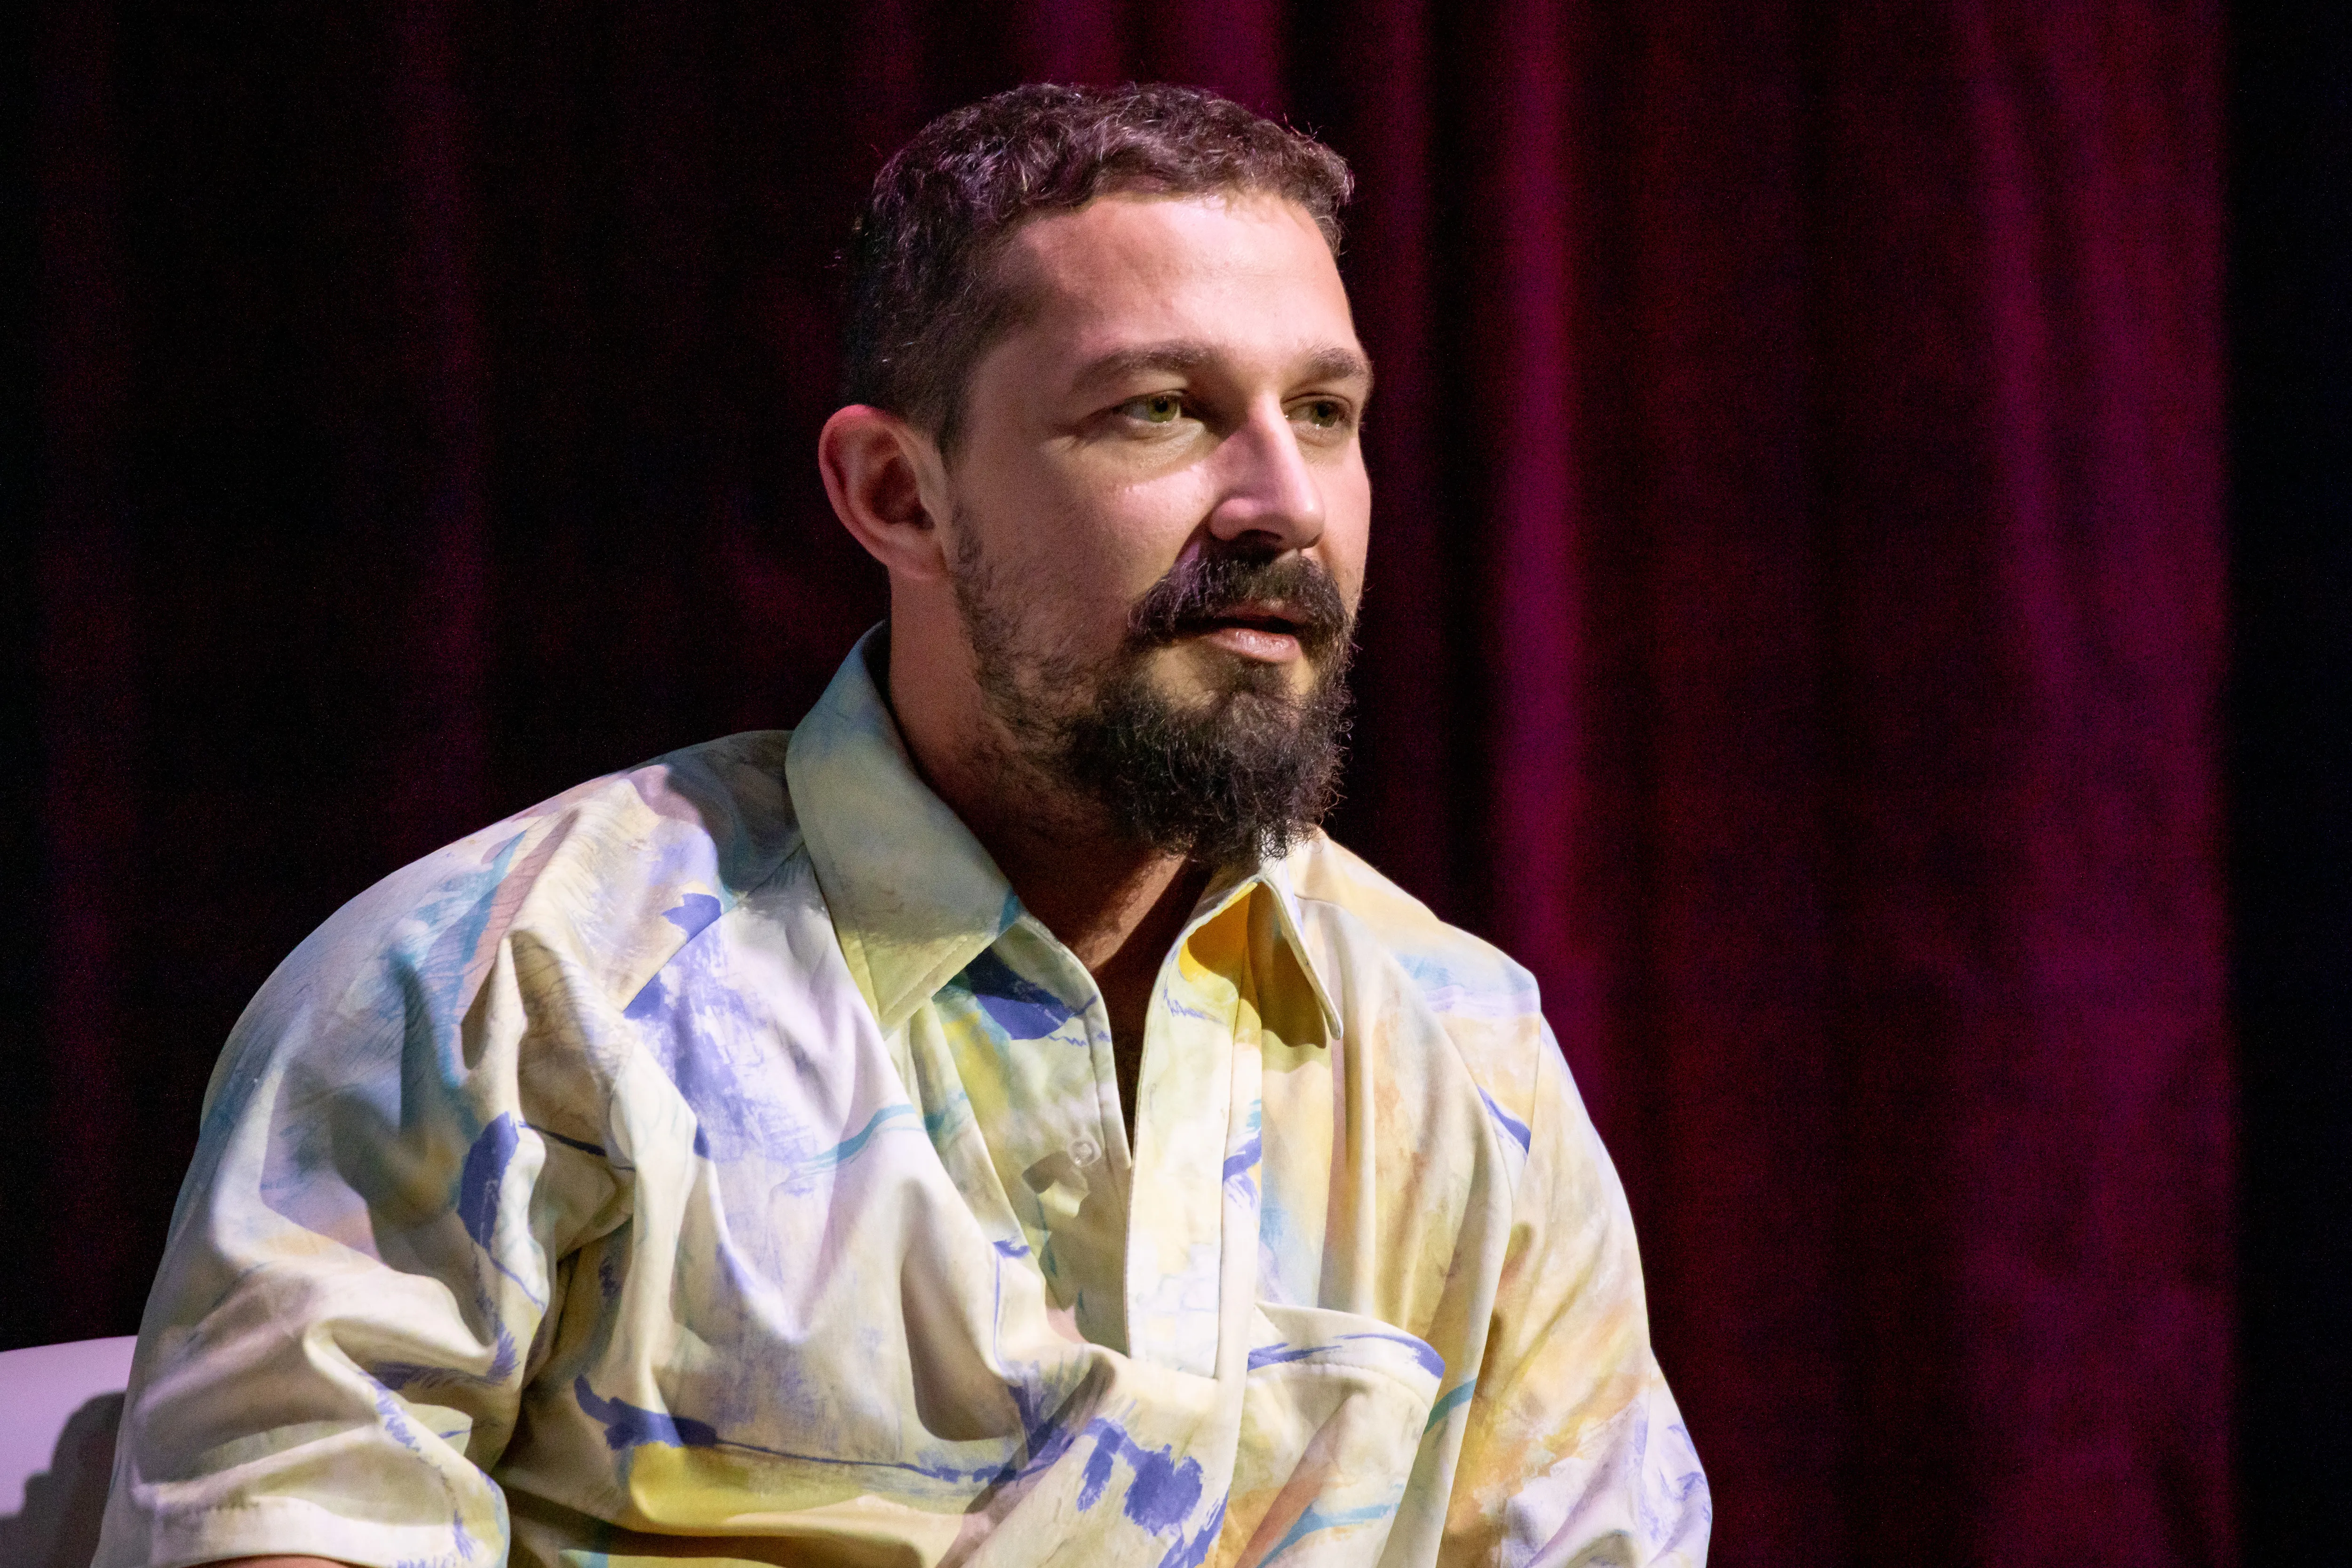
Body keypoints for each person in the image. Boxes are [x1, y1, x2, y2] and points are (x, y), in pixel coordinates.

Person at [95, 82, 1709, 1568]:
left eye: (1330, 411)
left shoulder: (1461, 1050)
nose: (1281, 497)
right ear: (897, 496)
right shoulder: (505, 996)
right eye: (1159, 409)